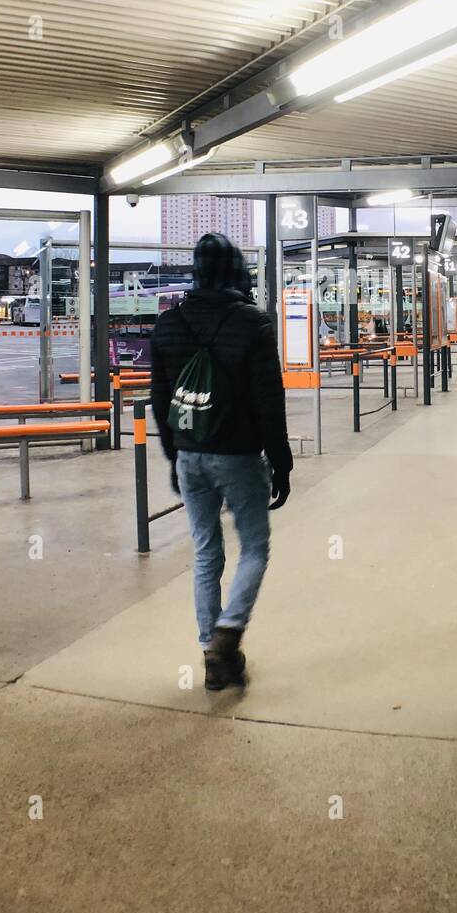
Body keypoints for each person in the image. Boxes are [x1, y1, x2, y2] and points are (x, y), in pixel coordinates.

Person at [150, 233, 292, 691]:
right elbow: (269, 400)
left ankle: (211, 653)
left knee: (206, 553)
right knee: (255, 547)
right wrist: (282, 462)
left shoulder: (168, 324)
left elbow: (159, 400)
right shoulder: (253, 323)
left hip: (191, 454)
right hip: (239, 456)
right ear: (237, 272)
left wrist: (175, 456)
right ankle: (228, 635)